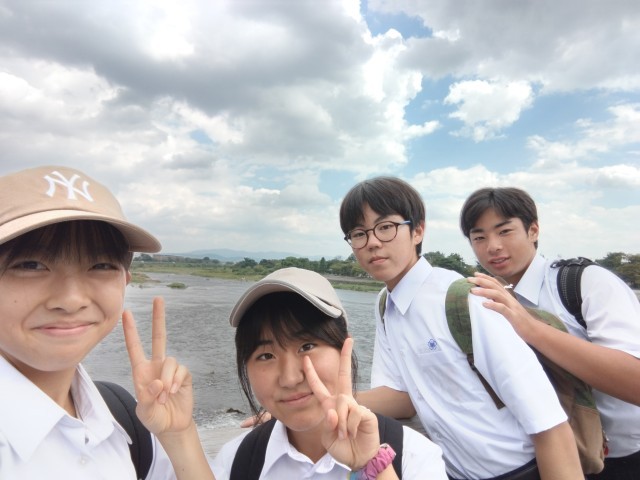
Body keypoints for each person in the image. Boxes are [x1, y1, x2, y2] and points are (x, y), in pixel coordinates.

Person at [338, 176, 583, 480]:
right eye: (359, 233)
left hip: (520, 470)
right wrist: (326, 403)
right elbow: (402, 398)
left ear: (417, 230)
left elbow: (548, 422)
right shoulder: (386, 305)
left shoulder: (465, 299)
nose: (373, 242)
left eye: (385, 227)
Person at [0, 165, 213, 479]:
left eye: (100, 265)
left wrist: (179, 435)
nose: (71, 299)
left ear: (124, 281)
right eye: (31, 265)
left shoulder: (124, 420)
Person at [459, 186, 640, 480]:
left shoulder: (584, 283)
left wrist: (530, 327)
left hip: (624, 459)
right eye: (479, 237)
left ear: (533, 230)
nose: (492, 246)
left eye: (504, 231)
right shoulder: (487, 299)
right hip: (549, 458)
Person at [211, 267, 448, 479]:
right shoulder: (235, 462)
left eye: (307, 346)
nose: (290, 379)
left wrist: (372, 464)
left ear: (344, 347)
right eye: (266, 356)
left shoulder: (414, 456)